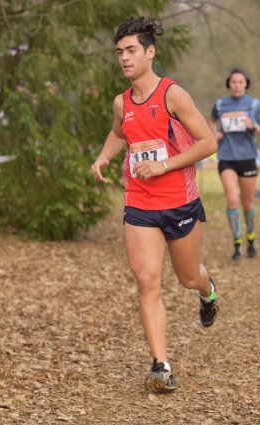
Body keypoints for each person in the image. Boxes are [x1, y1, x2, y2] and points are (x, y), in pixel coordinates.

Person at [90, 17, 219, 394]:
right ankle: (161, 366)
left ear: (150, 52)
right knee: (147, 281)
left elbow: (207, 143)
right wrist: (103, 156)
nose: (124, 58)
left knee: (187, 277)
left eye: (131, 50)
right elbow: (119, 133)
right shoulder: (122, 102)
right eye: (119, 52)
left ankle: (208, 290)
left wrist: (164, 165)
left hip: (180, 202)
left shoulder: (172, 95)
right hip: (140, 203)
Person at [209, 69, 260, 260]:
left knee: (247, 203)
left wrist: (253, 125)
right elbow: (211, 121)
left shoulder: (254, 104)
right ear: (229, 84)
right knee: (232, 199)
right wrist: (214, 133)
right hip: (226, 157)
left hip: (247, 158)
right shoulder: (220, 104)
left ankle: (250, 237)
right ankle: (236, 242)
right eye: (234, 82)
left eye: (240, 82)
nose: (237, 85)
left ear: (246, 84)